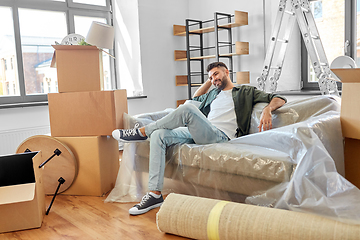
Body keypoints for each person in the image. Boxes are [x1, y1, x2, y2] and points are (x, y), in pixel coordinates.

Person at [112, 62, 287, 215]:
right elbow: (195, 98)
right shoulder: (213, 94)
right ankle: (155, 195)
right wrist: (212, 80)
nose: (213, 79)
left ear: (227, 71)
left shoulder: (245, 91)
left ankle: (142, 132)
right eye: (211, 77)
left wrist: (267, 110)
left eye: (216, 74)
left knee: (186, 109)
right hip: (203, 131)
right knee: (159, 134)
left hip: (220, 136)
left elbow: (279, 98)